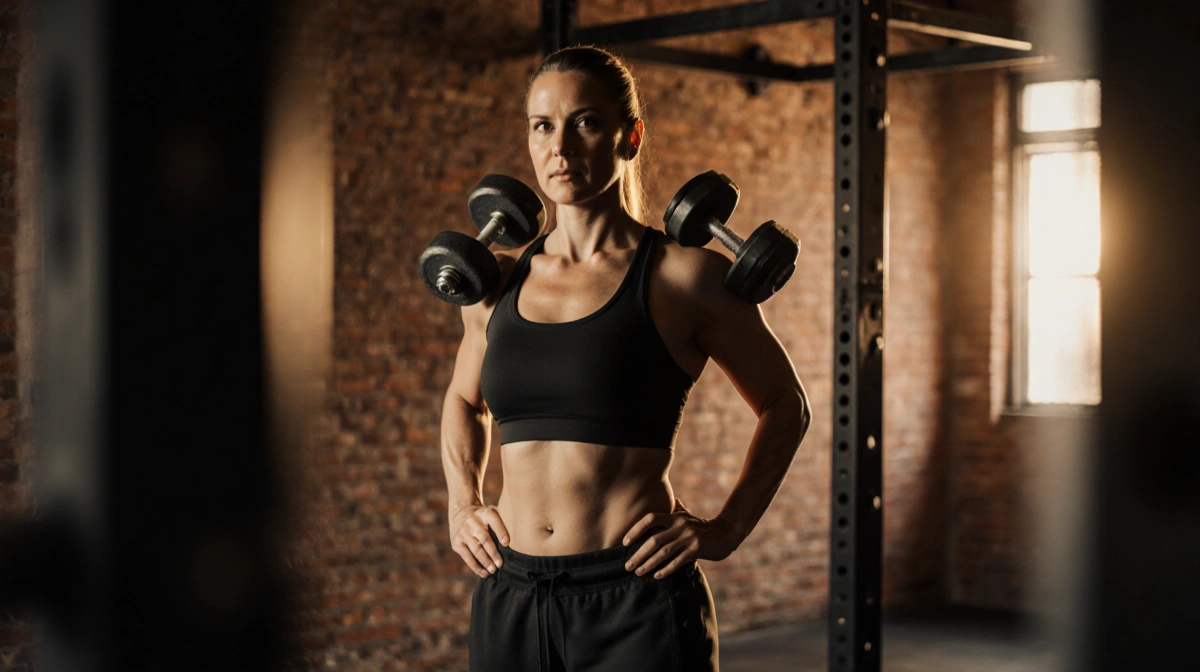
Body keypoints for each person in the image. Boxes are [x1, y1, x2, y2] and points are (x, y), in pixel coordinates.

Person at [439, 45, 811, 672]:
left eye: (584, 121)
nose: (560, 146)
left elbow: (786, 404)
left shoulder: (683, 278)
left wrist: (725, 528)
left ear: (629, 137)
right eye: (542, 125)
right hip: (512, 592)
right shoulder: (495, 285)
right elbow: (463, 400)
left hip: (633, 597)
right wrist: (461, 504)